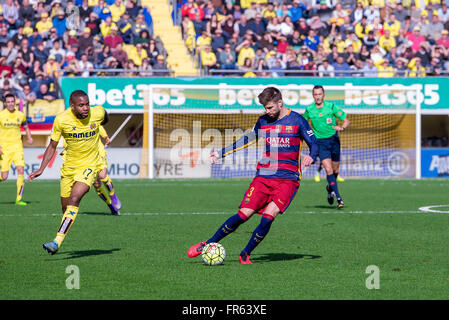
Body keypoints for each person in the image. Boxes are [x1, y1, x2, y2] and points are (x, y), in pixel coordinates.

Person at [187, 87, 318, 264]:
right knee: (243, 214)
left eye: (270, 107)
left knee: (268, 216)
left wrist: (312, 155)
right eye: (265, 108)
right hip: (264, 177)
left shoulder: (298, 120)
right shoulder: (263, 120)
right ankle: (208, 243)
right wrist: (221, 153)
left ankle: (245, 253)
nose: (267, 111)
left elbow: (314, 143)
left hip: (288, 179)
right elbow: (247, 139)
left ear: (280, 103)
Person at [28, 90, 109, 255]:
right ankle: (62, 232)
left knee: (75, 198)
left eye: (87, 104)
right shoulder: (62, 120)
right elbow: (52, 146)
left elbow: (105, 117)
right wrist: (41, 169)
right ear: (72, 106)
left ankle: (56, 242)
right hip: (69, 168)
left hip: (90, 165)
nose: (86, 108)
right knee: (66, 208)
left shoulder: (97, 112)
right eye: (81, 105)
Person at [303, 85, 350, 209]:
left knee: (335, 171)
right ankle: (339, 199)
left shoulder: (331, 107)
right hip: (320, 143)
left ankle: (330, 188)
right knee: (328, 170)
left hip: (334, 140)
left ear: (323, 95)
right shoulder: (309, 109)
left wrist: (342, 127)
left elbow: (346, 120)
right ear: (313, 96)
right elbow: (302, 124)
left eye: (320, 94)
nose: (318, 97)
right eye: (315, 94)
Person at [0, 93, 33, 205]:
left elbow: (26, 127)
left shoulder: (21, 115)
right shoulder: (1, 115)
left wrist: (29, 137)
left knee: (21, 170)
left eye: (12, 102)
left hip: (17, 148)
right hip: (4, 149)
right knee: (4, 177)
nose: (10, 104)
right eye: (8, 102)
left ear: (15, 103)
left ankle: (19, 199)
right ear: (5, 103)